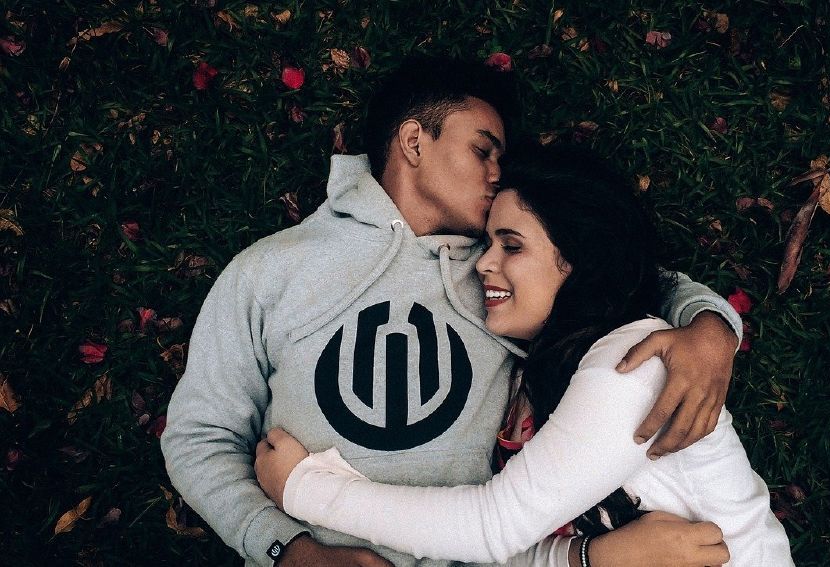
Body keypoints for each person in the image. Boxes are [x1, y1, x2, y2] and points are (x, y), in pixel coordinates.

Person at [161, 56, 743, 566]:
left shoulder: (504, 274)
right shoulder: (272, 270)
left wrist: (711, 329)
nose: (498, 174)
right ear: (414, 141)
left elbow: (619, 269)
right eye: (482, 150)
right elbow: (200, 437)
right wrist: (283, 548)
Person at [255, 143, 793, 566]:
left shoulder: (635, 366)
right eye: (489, 243)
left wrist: (306, 489)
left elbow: (492, 528)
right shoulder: (535, 379)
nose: (483, 264)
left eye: (511, 245)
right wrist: (592, 558)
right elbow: (510, 551)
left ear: (580, 259)